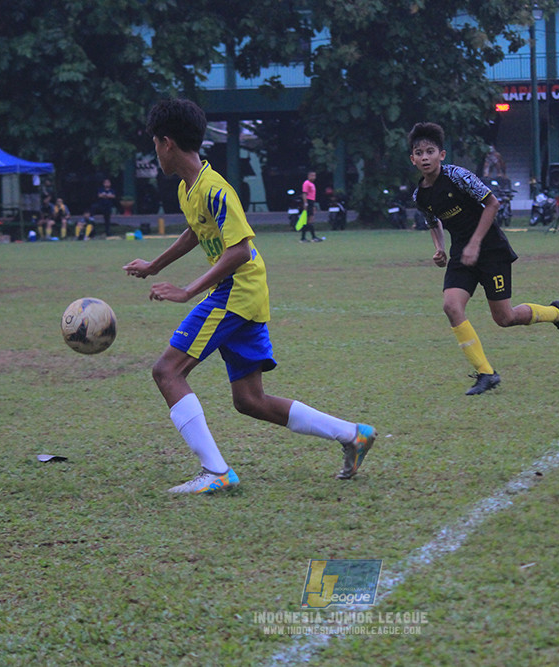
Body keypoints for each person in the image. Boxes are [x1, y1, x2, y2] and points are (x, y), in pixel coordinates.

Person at [122, 98, 375, 494]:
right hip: (245, 293)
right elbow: (195, 231)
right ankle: (352, 434)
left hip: (236, 291)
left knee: (167, 372)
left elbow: (239, 249)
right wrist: (155, 266)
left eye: (155, 142)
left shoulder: (215, 188)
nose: (155, 151)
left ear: (167, 142)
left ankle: (216, 472)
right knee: (249, 400)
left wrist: (188, 290)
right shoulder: (190, 189)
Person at [408, 122, 559, 396]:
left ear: (442, 154)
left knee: (505, 318)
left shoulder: (459, 177)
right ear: (413, 159)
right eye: (419, 152)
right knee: (451, 306)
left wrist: (475, 243)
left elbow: (493, 204)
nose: (425, 157)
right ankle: (486, 373)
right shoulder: (421, 195)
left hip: (490, 249)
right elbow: (433, 221)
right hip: (462, 254)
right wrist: (439, 247)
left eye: (430, 151)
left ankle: (556, 313)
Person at [299, 170, 324, 242]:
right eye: (312, 175)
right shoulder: (306, 183)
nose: (314, 177)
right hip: (308, 202)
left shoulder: (312, 184)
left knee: (310, 221)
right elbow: (304, 194)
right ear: (308, 176)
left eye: (314, 176)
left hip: (311, 202)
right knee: (308, 220)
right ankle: (309, 237)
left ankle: (308, 237)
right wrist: (305, 203)